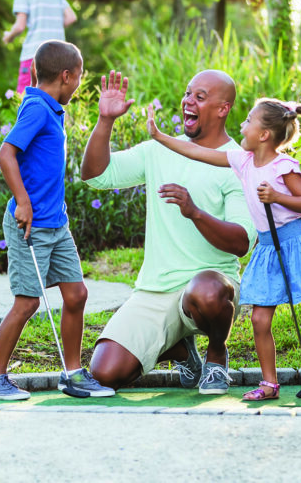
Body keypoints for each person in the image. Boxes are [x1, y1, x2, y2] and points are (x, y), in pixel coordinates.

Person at [146, 98, 301, 403]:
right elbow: (199, 152)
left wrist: (277, 195)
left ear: (264, 134)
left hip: (297, 244)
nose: (242, 125)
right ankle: (270, 383)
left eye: (248, 121)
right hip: (269, 249)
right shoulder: (242, 160)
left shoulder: (284, 166)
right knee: (259, 321)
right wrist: (160, 136)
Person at [80, 70, 256, 394]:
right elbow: (94, 175)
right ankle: (183, 352)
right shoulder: (157, 150)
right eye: (187, 94)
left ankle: (216, 358)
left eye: (199, 97)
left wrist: (195, 213)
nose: (188, 101)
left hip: (210, 287)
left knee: (205, 290)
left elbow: (241, 243)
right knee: (104, 372)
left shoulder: (238, 164)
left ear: (223, 108)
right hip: (155, 290)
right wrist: (105, 120)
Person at [0, 40, 113, 400]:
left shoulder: (51, 107)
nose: (79, 85)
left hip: (57, 223)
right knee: (27, 303)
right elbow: (5, 154)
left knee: (76, 294)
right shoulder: (37, 107)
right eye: (79, 78)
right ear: (66, 76)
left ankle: (72, 374)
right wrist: (22, 201)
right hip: (30, 225)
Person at [2, 0, 77, 94]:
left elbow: (19, 26)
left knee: (26, 98)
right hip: (59, 56)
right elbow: (71, 17)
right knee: (56, 101)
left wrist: (9, 36)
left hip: (34, 54)